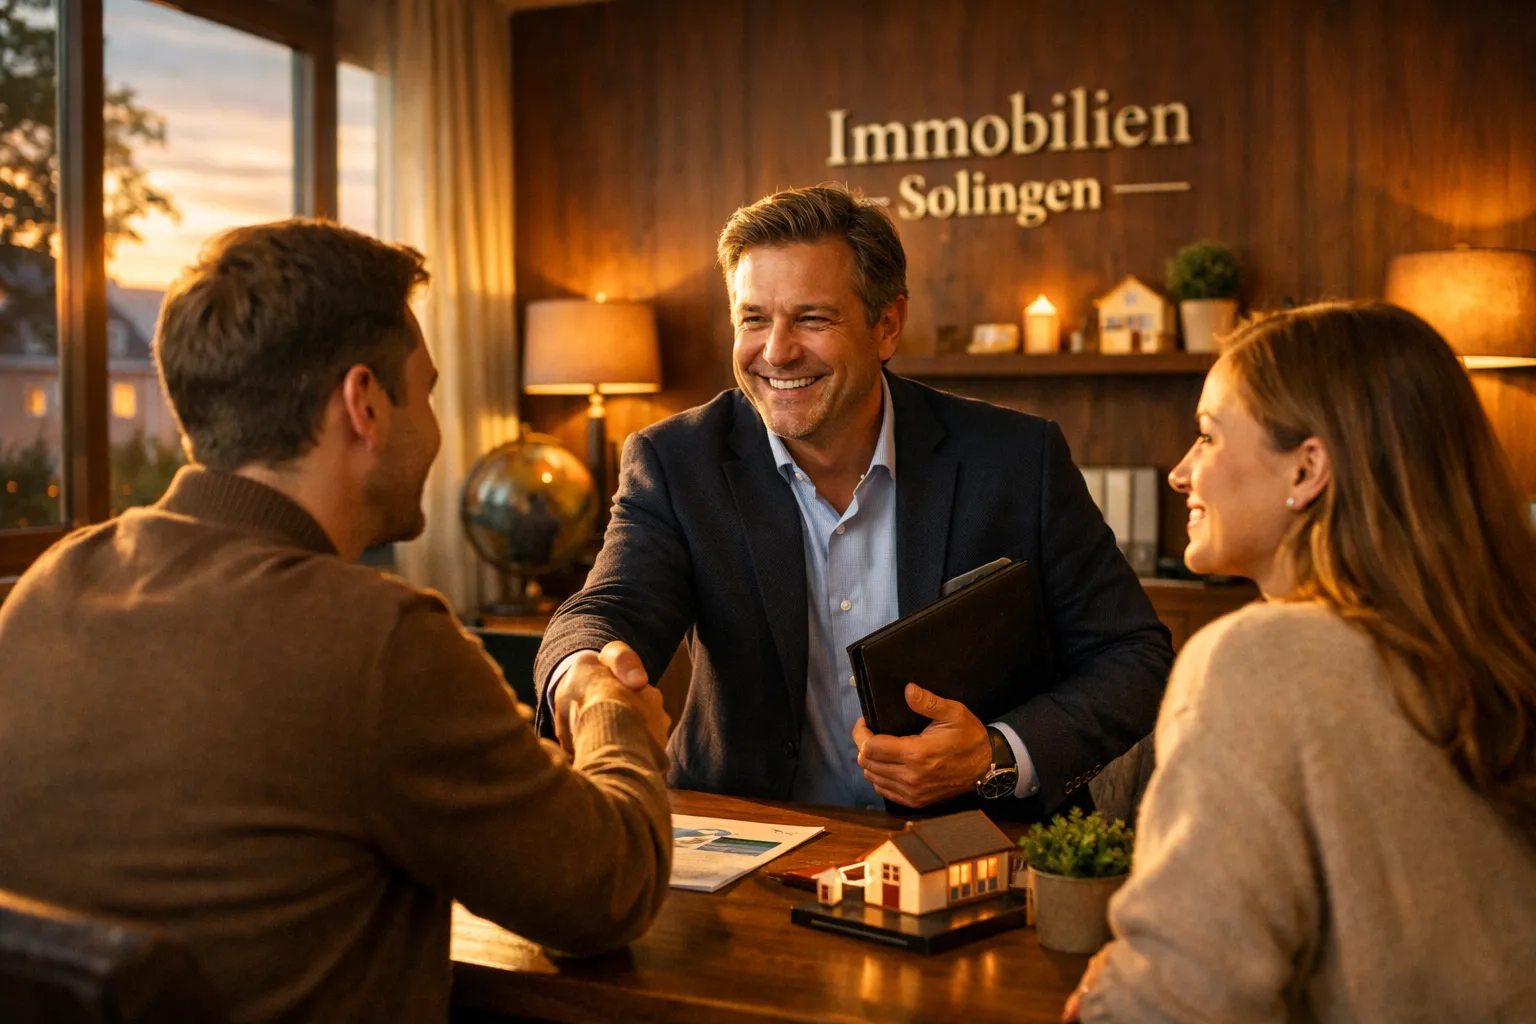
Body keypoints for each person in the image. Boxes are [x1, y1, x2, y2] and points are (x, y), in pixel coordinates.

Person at [0, 220, 674, 1024]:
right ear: (365, 405)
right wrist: (611, 715)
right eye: (424, 389)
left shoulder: (48, 586)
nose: (431, 425)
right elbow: (607, 894)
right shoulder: (380, 640)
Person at [535, 184, 1172, 819]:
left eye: (813, 319)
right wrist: (584, 671)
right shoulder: (676, 462)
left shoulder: (1015, 460)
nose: (777, 351)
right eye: (753, 319)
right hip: (750, 847)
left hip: (968, 851)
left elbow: (1134, 656)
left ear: (887, 325)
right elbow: (608, 608)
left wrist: (995, 756)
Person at [1066, 302, 1536, 1022]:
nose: (1181, 474)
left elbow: (1180, 1003)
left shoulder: (1262, 659)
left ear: (1308, 467)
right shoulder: (1488, 646)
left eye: (1208, 436)